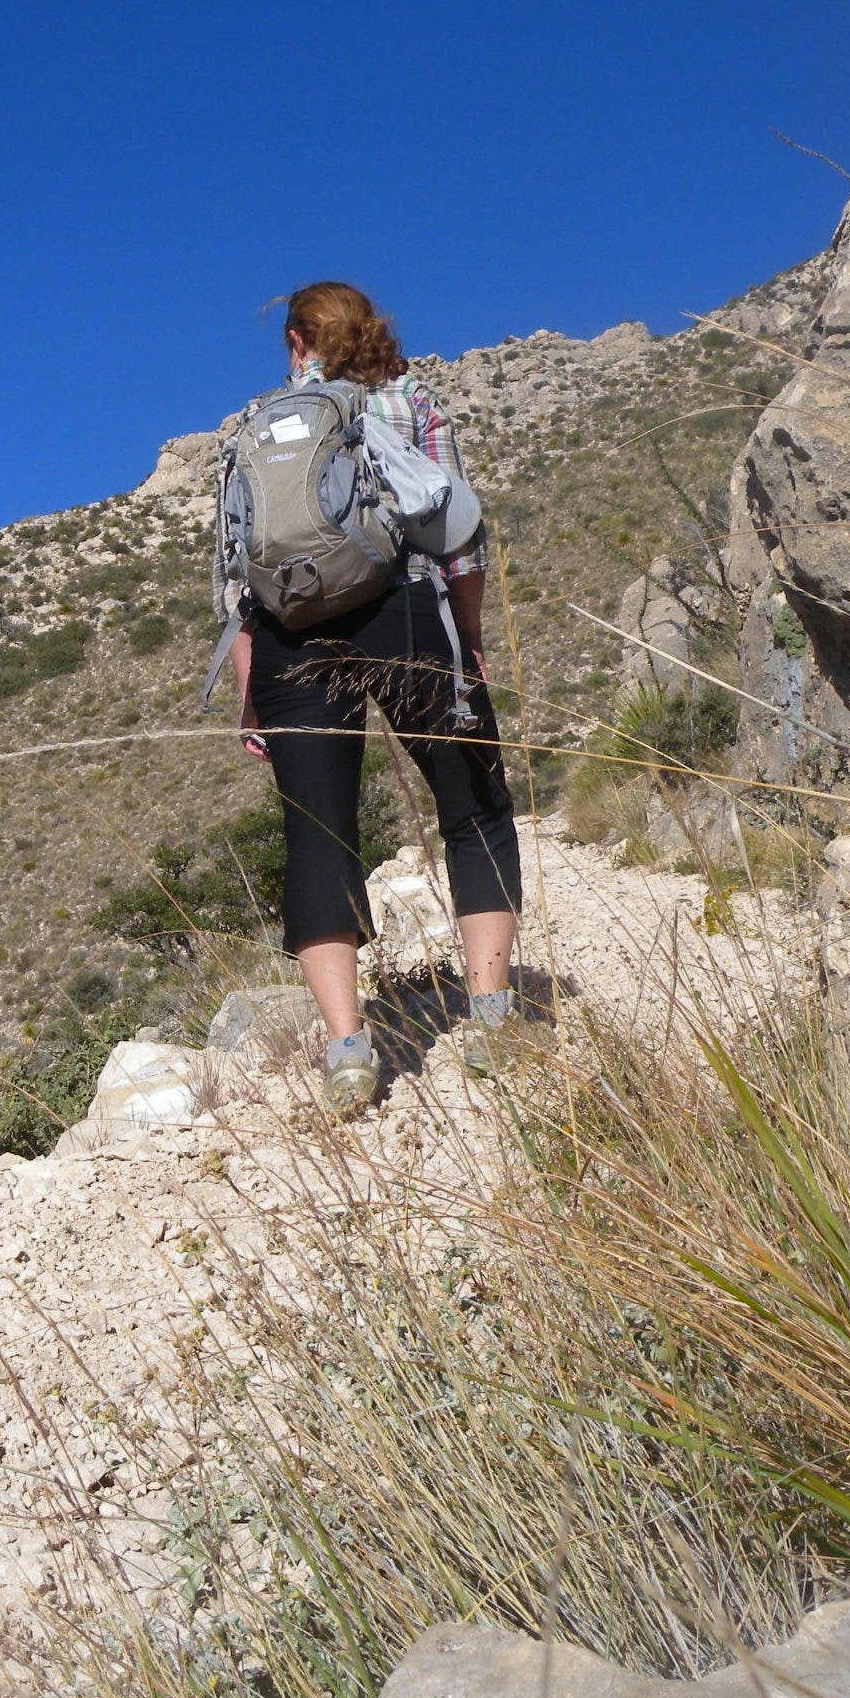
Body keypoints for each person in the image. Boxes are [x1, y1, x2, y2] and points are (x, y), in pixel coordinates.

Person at [220, 281, 529, 1114]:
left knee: (318, 833)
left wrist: (253, 695)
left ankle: (349, 1052)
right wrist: (469, 648)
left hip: (291, 638)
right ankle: (495, 1017)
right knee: (472, 809)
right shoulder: (410, 400)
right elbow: (457, 539)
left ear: (295, 341)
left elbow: (236, 585)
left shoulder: (254, 429)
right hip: (406, 610)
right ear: (371, 332)